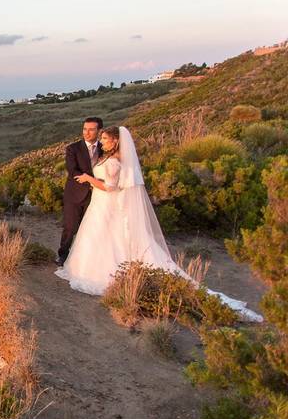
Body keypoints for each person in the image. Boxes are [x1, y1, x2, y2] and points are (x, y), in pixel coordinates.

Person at [54, 125, 263, 322]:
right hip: (101, 205)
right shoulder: (109, 158)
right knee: (99, 238)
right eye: (102, 139)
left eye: (106, 139)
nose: (102, 142)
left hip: (107, 204)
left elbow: (110, 187)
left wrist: (89, 180)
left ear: (116, 141)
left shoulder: (115, 161)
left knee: (107, 238)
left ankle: (106, 274)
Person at [56, 117, 103, 265]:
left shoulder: (105, 148)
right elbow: (72, 170)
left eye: (91, 129)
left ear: (99, 131)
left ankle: (84, 258)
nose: (86, 132)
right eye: (84, 129)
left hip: (97, 195)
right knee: (70, 226)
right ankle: (62, 254)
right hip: (74, 194)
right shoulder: (73, 148)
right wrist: (89, 179)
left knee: (89, 228)